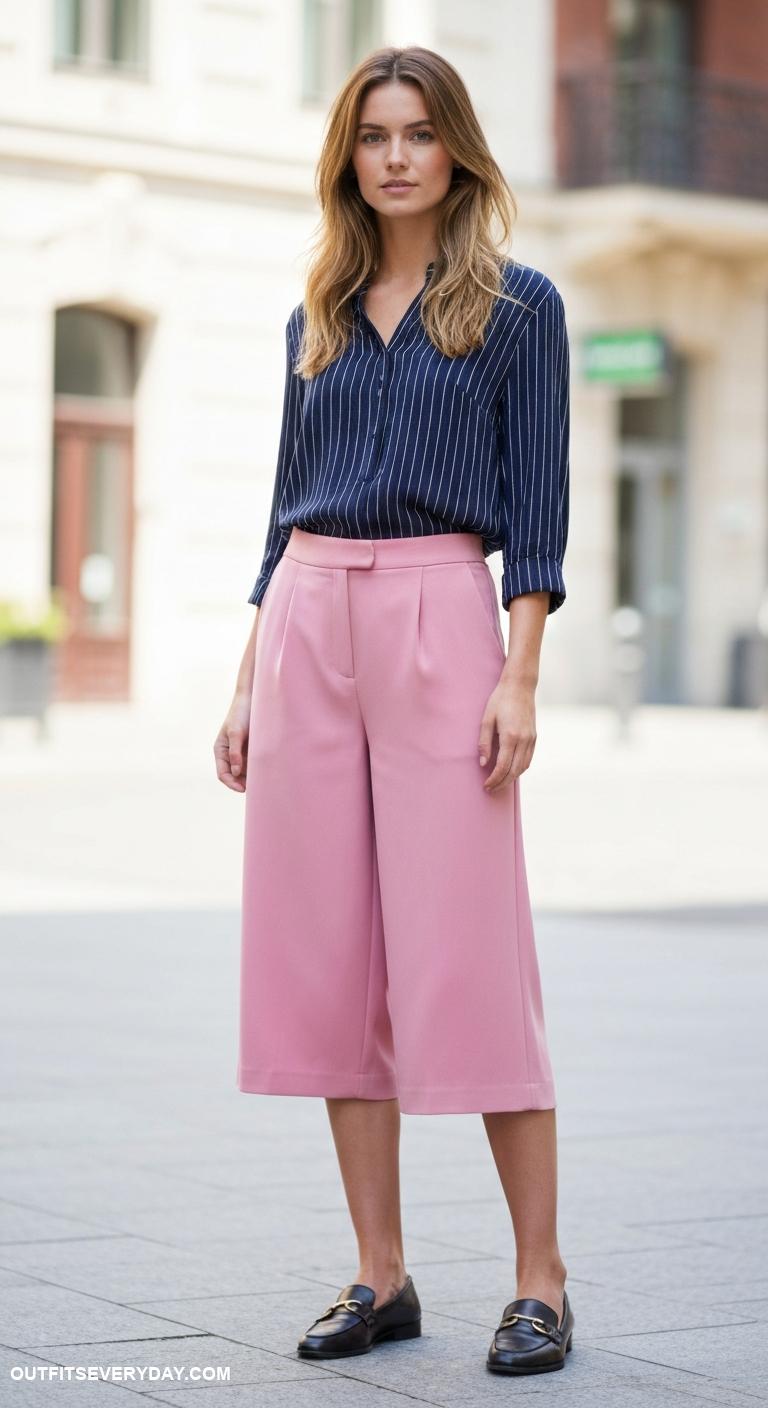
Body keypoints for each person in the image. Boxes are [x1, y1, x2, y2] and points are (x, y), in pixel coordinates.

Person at [214, 45, 573, 1377]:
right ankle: (382, 1273)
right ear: (349, 155)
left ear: (458, 149)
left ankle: (540, 1280)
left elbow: (536, 513)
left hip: (438, 616)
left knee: (470, 960)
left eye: (421, 132)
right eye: (375, 134)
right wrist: (250, 675)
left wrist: (519, 671)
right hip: (309, 618)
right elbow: (279, 509)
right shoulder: (315, 310)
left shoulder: (518, 311)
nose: (398, 155)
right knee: (329, 962)